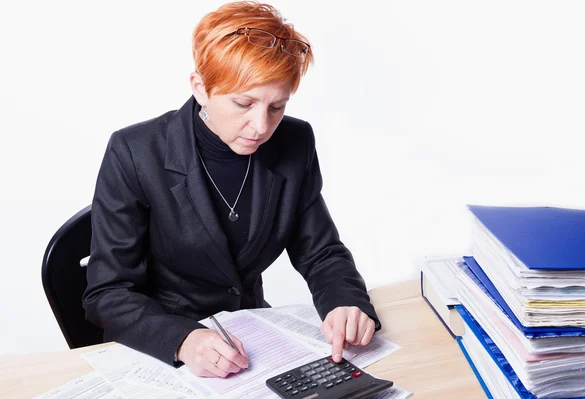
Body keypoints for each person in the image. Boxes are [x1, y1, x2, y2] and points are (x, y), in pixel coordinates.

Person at [83, 0, 380, 379]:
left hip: (252, 338)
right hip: (164, 348)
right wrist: (183, 340)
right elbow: (106, 294)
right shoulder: (135, 152)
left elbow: (321, 253)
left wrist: (345, 303)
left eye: (277, 106)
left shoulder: (295, 141)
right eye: (244, 103)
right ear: (201, 88)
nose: (260, 125)